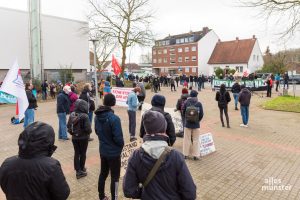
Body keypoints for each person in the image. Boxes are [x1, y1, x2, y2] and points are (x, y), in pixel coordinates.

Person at [123, 110, 196, 200]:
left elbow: (128, 190)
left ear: (146, 130)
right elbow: (190, 193)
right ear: (164, 128)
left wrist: (145, 193)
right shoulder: (176, 156)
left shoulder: (135, 156)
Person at [0, 122, 70, 200]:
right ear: (49, 142)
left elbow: (5, 187)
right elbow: (62, 194)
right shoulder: (51, 166)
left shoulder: (7, 163)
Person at [94, 94, 124, 200]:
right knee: (115, 177)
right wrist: (121, 145)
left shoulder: (97, 117)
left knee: (103, 174)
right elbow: (118, 138)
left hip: (103, 151)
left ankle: (101, 196)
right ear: (113, 103)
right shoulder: (114, 119)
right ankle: (114, 198)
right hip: (114, 153)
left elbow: (97, 132)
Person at [67, 99, 92, 179]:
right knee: (83, 153)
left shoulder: (72, 114)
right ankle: (80, 170)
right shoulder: (85, 116)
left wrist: (73, 134)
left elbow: (68, 126)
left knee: (77, 153)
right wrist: (87, 133)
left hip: (74, 138)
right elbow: (88, 129)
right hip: (83, 138)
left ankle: (79, 169)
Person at [182, 90, 204, 160]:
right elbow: (201, 114)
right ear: (196, 96)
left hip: (187, 124)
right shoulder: (199, 103)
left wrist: (186, 119)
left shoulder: (186, 102)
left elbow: (183, 112)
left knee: (186, 139)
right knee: (196, 140)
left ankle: (185, 154)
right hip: (196, 125)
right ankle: (195, 155)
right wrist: (197, 120)